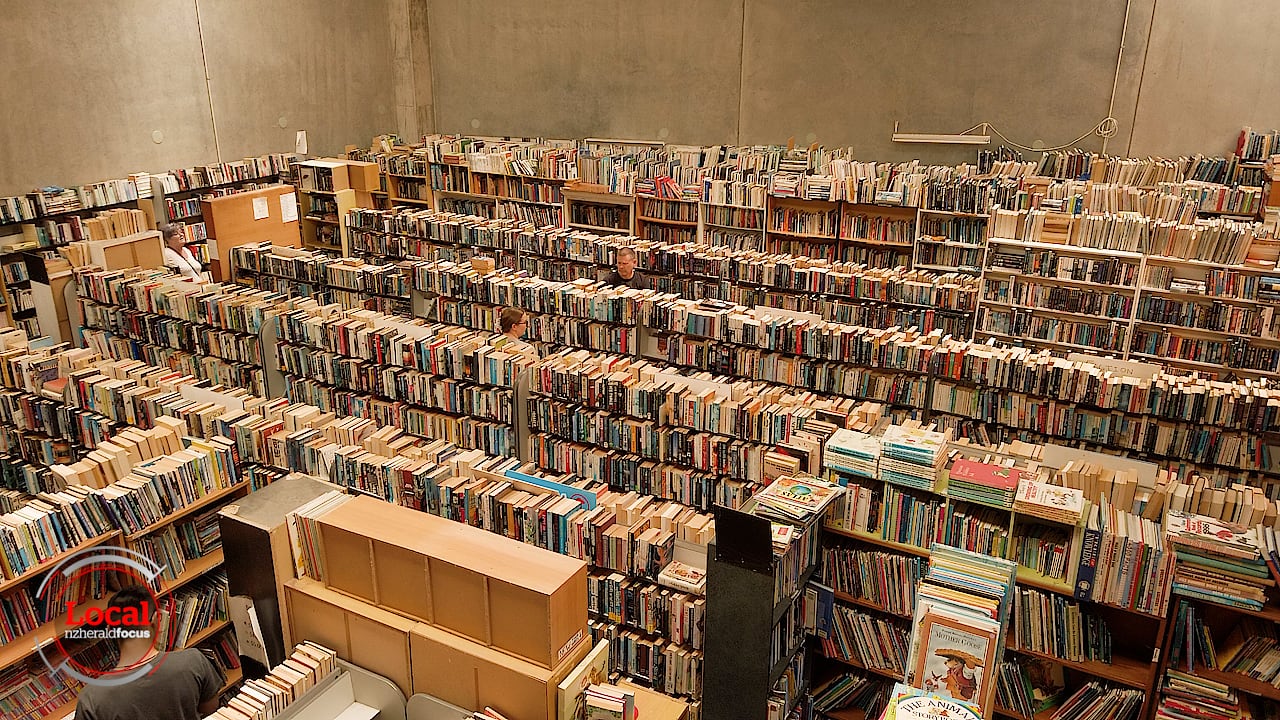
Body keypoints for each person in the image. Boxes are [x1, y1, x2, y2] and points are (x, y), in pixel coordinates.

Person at [74, 585, 223, 720]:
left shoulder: (91, 699)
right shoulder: (193, 661)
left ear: (109, 631)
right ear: (156, 620)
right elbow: (210, 709)